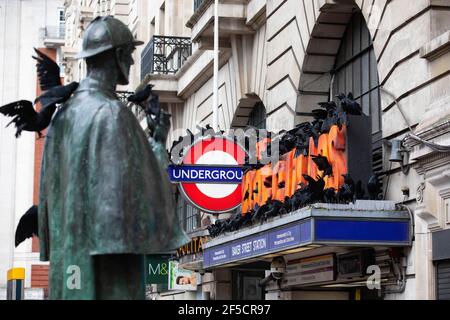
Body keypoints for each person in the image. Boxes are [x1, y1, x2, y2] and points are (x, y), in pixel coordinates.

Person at [38, 16, 188, 300]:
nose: (132, 64)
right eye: (130, 55)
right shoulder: (112, 113)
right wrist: (157, 144)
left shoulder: (62, 117)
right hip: (108, 268)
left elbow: (46, 194)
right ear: (118, 56)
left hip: (69, 262)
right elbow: (135, 195)